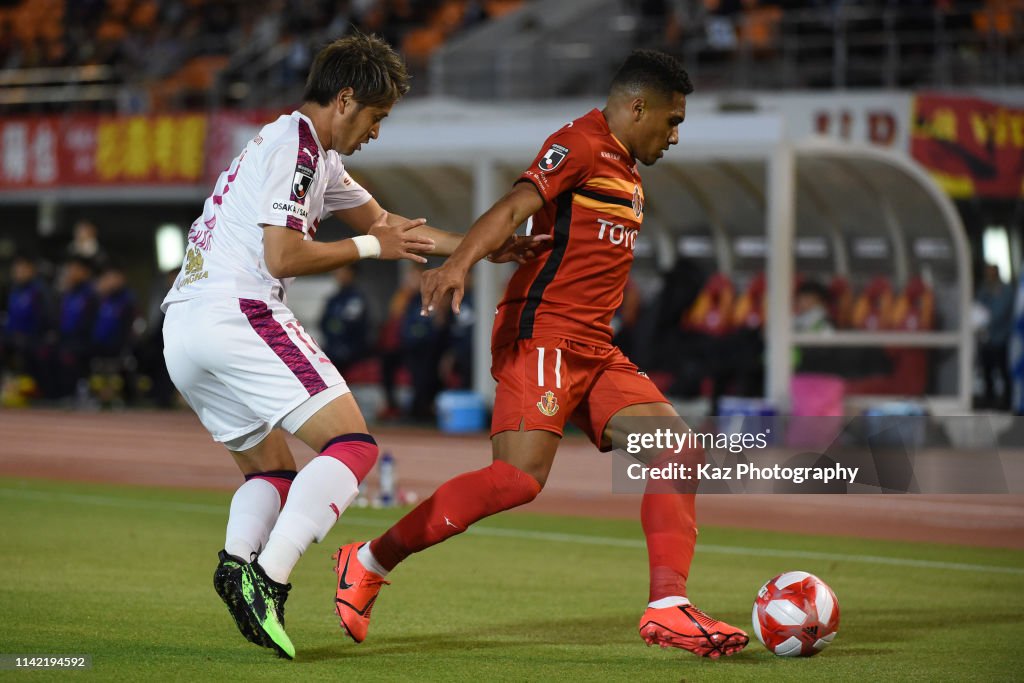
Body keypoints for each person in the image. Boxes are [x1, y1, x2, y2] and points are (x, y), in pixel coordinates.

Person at [333, 49, 749, 659]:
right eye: (672, 120)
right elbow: (511, 209)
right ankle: (367, 559)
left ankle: (668, 607)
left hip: (594, 348)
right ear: (638, 106)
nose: (676, 135)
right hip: (544, 336)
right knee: (518, 479)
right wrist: (458, 264)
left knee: (678, 447)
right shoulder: (579, 144)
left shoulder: (629, 171)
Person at [160, 33, 546, 660]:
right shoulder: (297, 151)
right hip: (238, 311)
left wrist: (479, 248)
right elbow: (283, 255)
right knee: (354, 447)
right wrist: (372, 249)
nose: (375, 132)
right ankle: (270, 578)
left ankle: (237, 565)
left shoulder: (311, 154)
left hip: (184, 326)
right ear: (344, 100)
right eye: (376, 117)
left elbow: (392, 229)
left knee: (275, 473)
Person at [319, 264, 371, 375]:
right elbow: (323, 323)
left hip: (352, 350)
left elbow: (352, 325)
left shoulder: (356, 298)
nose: (339, 275)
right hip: (332, 347)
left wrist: (335, 325)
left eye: (343, 271)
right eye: (337, 272)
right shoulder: (333, 299)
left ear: (351, 273)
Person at [977, 263, 1014, 409]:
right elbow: (978, 307)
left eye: (991, 273)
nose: (989, 276)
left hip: (1001, 338)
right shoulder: (984, 289)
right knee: (987, 371)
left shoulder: (1006, 291)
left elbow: (1000, 312)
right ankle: (988, 398)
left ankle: (1007, 400)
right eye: (987, 273)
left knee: (1004, 370)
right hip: (986, 339)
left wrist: (985, 319)